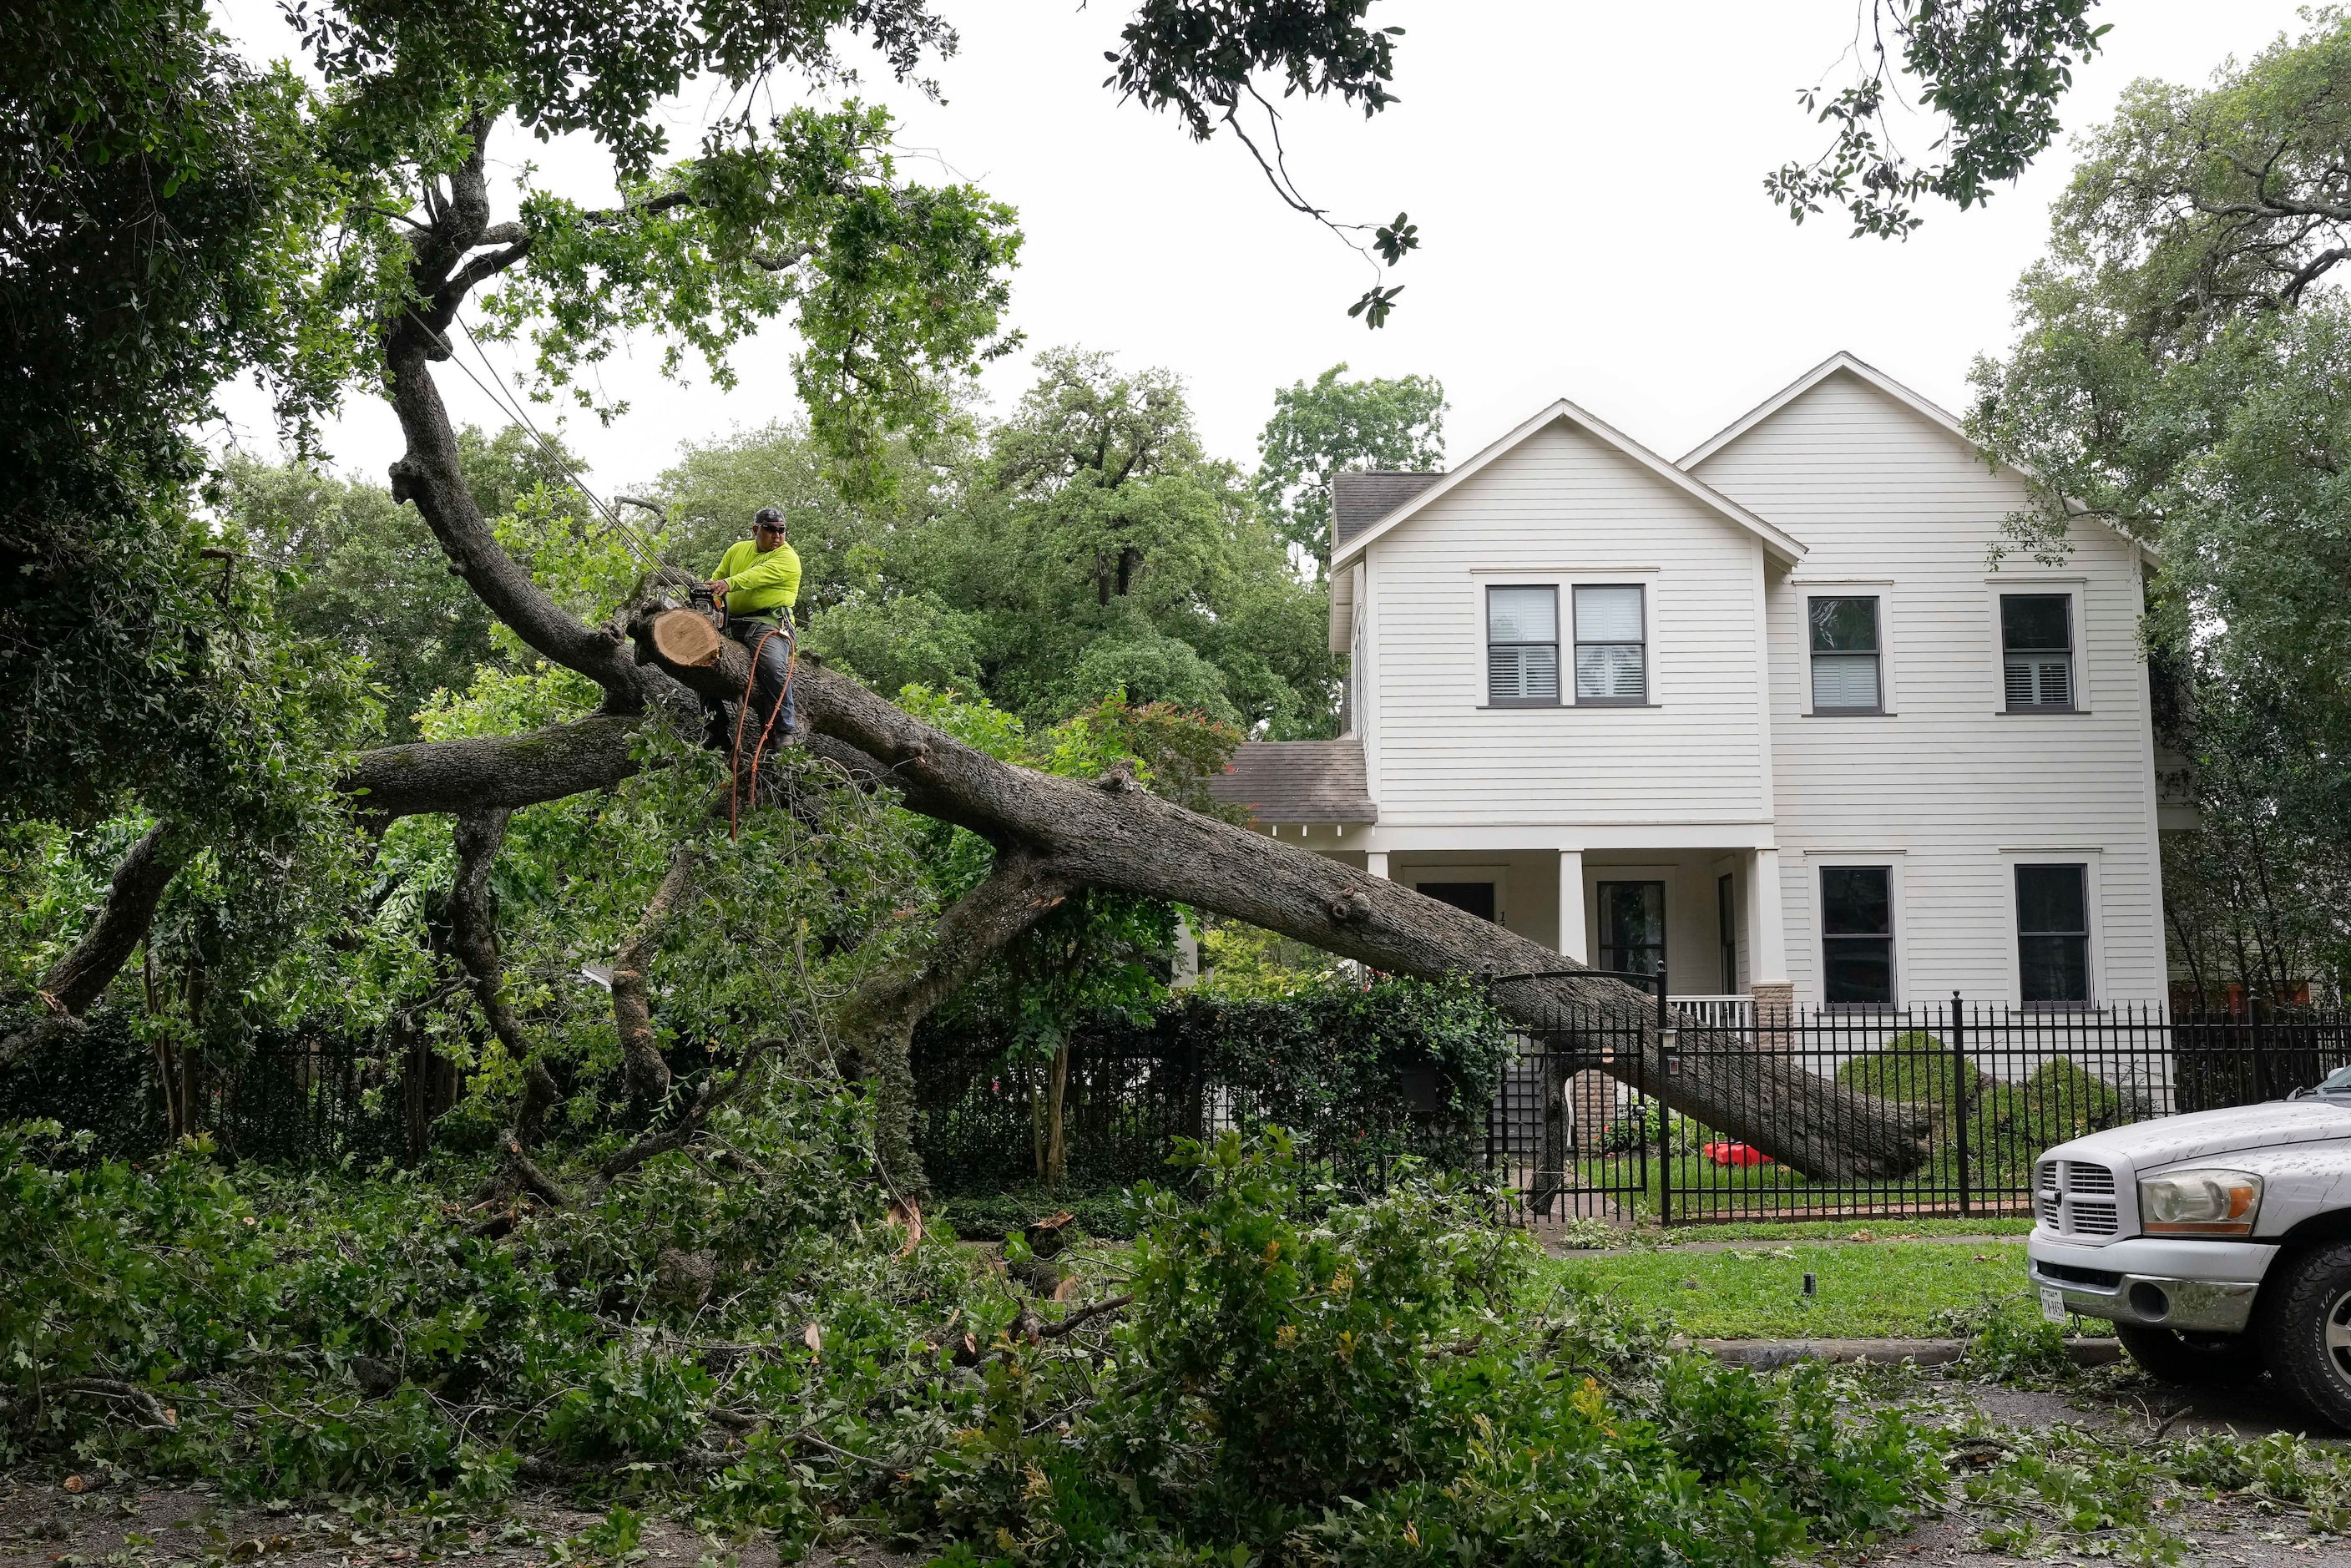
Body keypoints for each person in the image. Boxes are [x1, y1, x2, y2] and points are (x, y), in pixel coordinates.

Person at [708, 505, 802, 751]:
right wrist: (711, 594)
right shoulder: (737, 550)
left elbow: (755, 576)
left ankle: (784, 731)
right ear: (756, 530)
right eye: (770, 530)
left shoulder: (787, 557)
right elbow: (717, 579)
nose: (777, 536)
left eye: (782, 530)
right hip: (732, 623)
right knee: (700, 657)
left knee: (772, 666)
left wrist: (728, 584)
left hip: (769, 623)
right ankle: (715, 728)